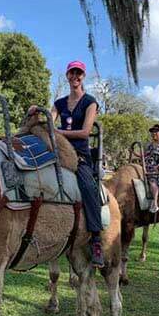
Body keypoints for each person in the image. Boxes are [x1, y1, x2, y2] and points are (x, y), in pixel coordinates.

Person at [29, 60, 103, 266]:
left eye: (79, 74)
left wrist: (58, 132)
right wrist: (37, 113)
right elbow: (49, 121)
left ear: (83, 77)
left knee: (88, 186)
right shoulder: (60, 103)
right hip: (58, 152)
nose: (75, 77)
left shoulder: (90, 102)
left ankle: (96, 238)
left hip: (79, 154)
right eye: (72, 74)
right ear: (67, 76)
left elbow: (85, 132)